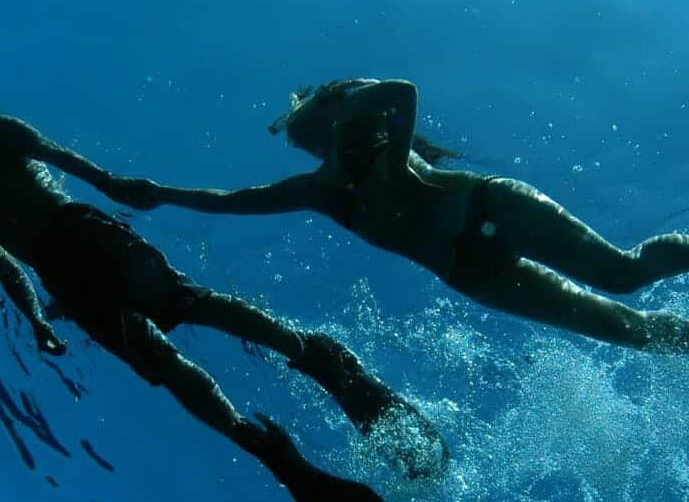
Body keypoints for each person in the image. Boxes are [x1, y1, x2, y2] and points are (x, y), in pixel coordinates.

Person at [0, 108, 448, 502]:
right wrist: (37, 318)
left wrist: (110, 182)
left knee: (188, 301)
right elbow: (8, 269)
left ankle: (304, 352)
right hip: (67, 282)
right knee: (160, 364)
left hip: (84, 232)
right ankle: (259, 444)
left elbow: (58, 157)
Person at [105, 79, 689, 354]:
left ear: (332, 119)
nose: (303, 137)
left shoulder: (373, 136)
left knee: (622, 273)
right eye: (304, 137)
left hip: (491, 208)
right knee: (626, 330)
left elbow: (400, 90)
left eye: (309, 125)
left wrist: (398, 150)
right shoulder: (315, 190)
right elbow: (234, 202)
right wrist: (159, 191)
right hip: (472, 271)